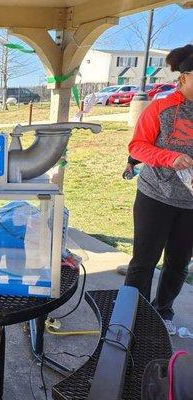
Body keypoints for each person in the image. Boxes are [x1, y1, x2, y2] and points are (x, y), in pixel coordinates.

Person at [124, 44, 193, 335]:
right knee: (144, 261)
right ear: (184, 77)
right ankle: (130, 316)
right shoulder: (161, 107)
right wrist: (171, 157)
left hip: (190, 206)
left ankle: (162, 311)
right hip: (155, 197)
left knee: (178, 264)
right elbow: (137, 146)